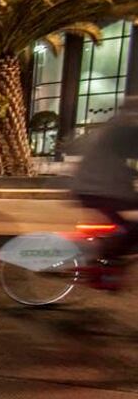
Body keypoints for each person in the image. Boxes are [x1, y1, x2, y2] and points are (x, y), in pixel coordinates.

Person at [71, 95, 138, 277]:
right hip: (100, 189)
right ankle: (109, 260)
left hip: (98, 187)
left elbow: (118, 162)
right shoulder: (122, 131)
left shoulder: (116, 127)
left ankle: (109, 256)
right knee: (133, 227)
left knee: (125, 225)